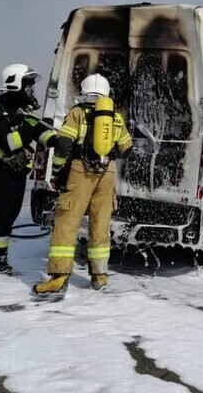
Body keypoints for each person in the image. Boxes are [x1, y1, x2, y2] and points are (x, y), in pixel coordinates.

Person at [32, 74, 133, 297]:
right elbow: (127, 149)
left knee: (67, 221)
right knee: (100, 223)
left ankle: (58, 278)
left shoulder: (77, 113)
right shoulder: (115, 117)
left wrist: (57, 170)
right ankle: (100, 275)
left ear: (84, 91)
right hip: (107, 173)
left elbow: (63, 143)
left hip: (80, 171)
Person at [0, 64, 56, 274]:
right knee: (5, 214)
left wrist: (57, 140)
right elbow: (8, 143)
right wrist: (29, 126)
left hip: (16, 172)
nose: (30, 91)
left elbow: (40, 132)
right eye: (27, 86)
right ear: (15, 85)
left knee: (7, 211)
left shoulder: (24, 111)